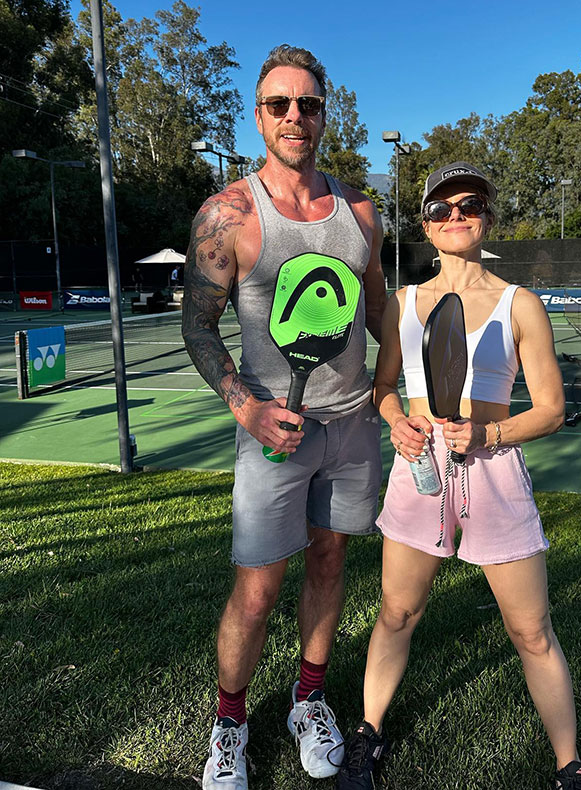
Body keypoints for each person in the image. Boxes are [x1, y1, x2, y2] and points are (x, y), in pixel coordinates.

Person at [336, 162, 581, 790]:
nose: (455, 216)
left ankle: (570, 765)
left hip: (494, 474)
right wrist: (396, 420)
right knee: (397, 613)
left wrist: (490, 434)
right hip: (419, 470)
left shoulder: (520, 304)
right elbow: (384, 387)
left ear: (487, 217)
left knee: (530, 630)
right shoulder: (402, 303)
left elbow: (553, 409)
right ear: (425, 224)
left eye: (469, 204)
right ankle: (368, 736)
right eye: (441, 208)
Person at [181, 44, 386, 790]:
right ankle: (229, 721)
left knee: (330, 560)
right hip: (271, 435)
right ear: (259, 115)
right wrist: (248, 408)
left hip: (353, 427)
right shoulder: (228, 213)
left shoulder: (362, 211)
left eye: (308, 103)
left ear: (325, 113)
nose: (294, 116)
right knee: (258, 590)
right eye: (279, 104)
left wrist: (389, 393)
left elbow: (381, 313)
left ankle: (308, 698)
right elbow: (198, 326)